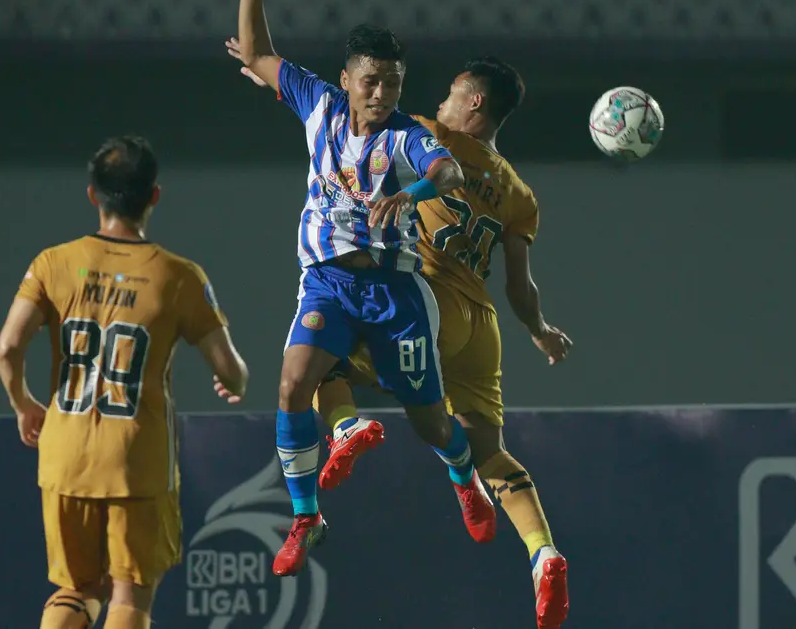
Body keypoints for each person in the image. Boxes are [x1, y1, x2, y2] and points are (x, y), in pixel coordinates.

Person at [228, 50, 573, 628]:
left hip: (424, 295)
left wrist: (277, 84)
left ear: (474, 103)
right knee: (487, 448)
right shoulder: (519, 194)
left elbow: (363, 117)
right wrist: (539, 330)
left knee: (320, 366)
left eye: (448, 96)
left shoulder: (426, 133)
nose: (437, 104)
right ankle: (543, 551)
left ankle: (346, 429)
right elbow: (520, 285)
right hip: (480, 323)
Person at [232, 0, 497, 577]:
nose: (382, 94)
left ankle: (465, 478)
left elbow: (449, 174)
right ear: (347, 78)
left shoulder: (405, 136)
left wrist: (406, 195)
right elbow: (258, 53)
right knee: (293, 384)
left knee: (432, 424)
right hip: (327, 282)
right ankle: (304, 516)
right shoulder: (317, 106)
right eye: (372, 81)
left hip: (394, 290)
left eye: (393, 83)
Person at [0, 135, 249, 629]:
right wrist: (231, 383)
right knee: (130, 597)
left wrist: (23, 403)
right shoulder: (177, 276)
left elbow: (7, 347)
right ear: (154, 196)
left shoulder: (54, 263)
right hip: (138, 458)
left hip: (66, 452)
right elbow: (229, 367)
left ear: (94, 195)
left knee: (77, 589)